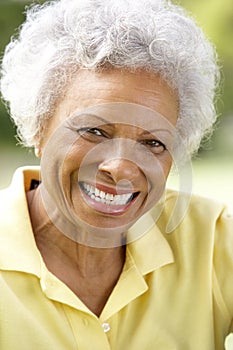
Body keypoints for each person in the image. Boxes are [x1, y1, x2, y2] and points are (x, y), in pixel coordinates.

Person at [0, 0, 232, 349]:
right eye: (93, 131)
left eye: (152, 142)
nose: (121, 168)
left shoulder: (212, 240)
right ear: (39, 128)